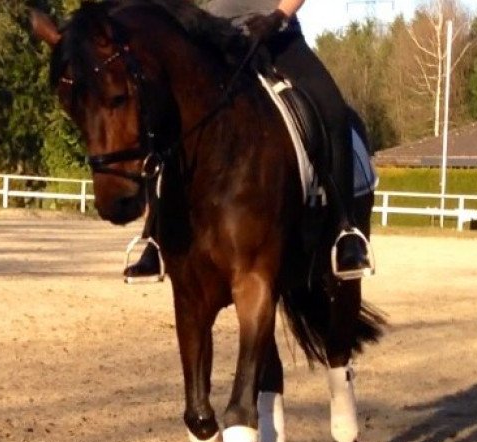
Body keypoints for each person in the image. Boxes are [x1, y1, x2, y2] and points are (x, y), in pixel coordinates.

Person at [124, 0, 372, 282]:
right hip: (211, 35)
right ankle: (155, 237)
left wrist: (277, 17)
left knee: (334, 111)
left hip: (275, 36)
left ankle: (345, 230)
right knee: (168, 116)